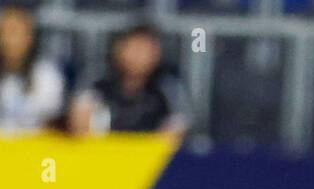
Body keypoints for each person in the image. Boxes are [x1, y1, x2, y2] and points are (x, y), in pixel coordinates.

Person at [67, 22, 188, 136]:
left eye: (145, 51)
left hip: (148, 154)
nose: (138, 56)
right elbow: (79, 119)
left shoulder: (167, 86)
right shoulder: (98, 78)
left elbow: (178, 126)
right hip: (100, 152)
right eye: (134, 48)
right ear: (119, 49)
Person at [0, 4, 64, 132]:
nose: (8, 40)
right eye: (3, 33)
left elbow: (52, 123)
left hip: (36, 148)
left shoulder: (47, 76)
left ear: (29, 37)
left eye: (14, 32)